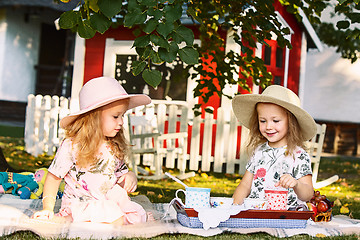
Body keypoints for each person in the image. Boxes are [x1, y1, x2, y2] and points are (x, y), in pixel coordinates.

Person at [32, 76, 151, 225]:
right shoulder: (73, 145)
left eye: (122, 116)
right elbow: (54, 177)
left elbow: (121, 173)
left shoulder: (113, 145)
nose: (121, 122)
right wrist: (48, 208)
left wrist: (130, 176)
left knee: (133, 215)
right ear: (93, 118)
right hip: (80, 205)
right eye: (115, 116)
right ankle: (63, 219)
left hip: (107, 202)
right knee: (117, 220)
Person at [231, 85, 316, 209]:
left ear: (291, 123)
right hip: (257, 212)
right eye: (263, 121)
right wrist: (232, 208)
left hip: (286, 215)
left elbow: (308, 194)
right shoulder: (259, 151)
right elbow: (245, 185)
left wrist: (296, 184)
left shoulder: (298, 155)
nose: (268, 126)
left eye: (275, 121)